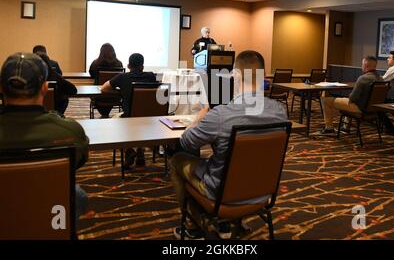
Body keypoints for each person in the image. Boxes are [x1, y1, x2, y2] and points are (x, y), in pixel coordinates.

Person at [169, 50, 289, 240]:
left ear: (237, 76)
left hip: (223, 195)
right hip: (263, 193)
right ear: (263, 76)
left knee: (176, 160)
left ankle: (194, 227)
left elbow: (187, 141)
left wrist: (197, 121)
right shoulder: (280, 111)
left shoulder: (221, 115)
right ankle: (235, 222)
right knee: (227, 155)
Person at [0, 52, 89, 222]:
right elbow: (80, 160)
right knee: (78, 196)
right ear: (45, 88)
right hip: (50, 210)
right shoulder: (70, 131)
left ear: (1, 88)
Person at [101, 53, 157, 168]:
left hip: (129, 118)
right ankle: (140, 151)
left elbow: (104, 88)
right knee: (139, 123)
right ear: (142, 66)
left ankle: (129, 150)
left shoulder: (122, 77)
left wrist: (120, 92)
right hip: (149, 118)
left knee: (112, 122)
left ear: (128, 65)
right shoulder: (151, 76)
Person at [320, 56, 383, 133]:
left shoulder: (363, 78)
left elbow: (353, 98)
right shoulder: (381, 79)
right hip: (373, 109)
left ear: (366, 65)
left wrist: (349, 96)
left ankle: (329, 128)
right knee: (346, 99)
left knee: (325, 100)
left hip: (359, 108)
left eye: (362, 64)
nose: (361, 66)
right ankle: (345, 127)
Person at [89, 43, 124, 118]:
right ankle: (105, 114)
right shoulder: (119, 64)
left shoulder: (95, 63)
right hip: (115, 96)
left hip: (98, 95)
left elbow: (92, 75)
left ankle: (104, 114)